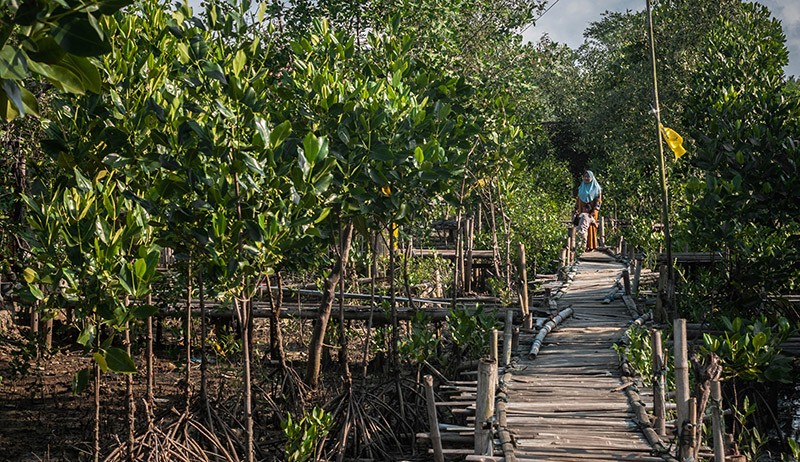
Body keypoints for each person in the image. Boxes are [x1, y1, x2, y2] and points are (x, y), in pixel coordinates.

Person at [575, 170, 602, 251]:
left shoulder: (597, 188)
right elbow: (578, 199)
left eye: (588, 177)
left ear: (592, 177)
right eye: (585, 177)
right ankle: (582, 247)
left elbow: (599, 200)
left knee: (591, 226)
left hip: (592, 210)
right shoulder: (581, 187)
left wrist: (595, 210)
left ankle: (591, 246)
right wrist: (576, 208)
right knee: (582, 226)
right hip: (582, 209)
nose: (586, 178)